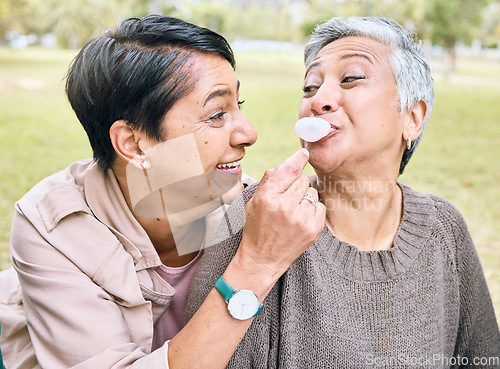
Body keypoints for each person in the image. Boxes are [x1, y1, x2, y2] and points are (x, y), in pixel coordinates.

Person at [0, 15, 326, 368]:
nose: (248, 133)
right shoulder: (52, 228)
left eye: (238, 105)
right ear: (134, 144)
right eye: (217, 114)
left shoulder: (251, 209)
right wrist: (256, 265)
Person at [187, 16, 500, 368]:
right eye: (309, 88)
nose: (318, 99)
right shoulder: (258, 215)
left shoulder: (446, 229)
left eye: (350, 78)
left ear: (413, 117)